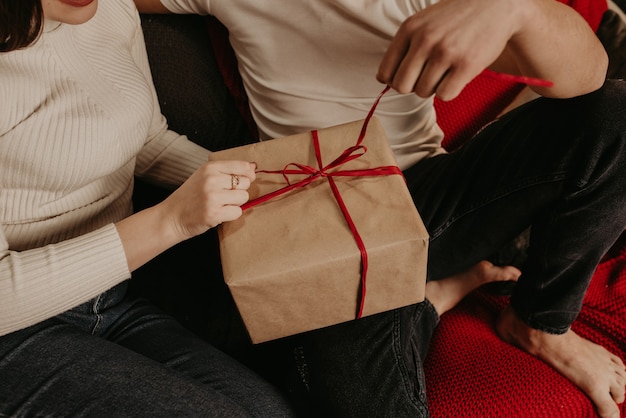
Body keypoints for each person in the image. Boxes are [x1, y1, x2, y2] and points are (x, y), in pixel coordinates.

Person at [135, 0, 626, 417]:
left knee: (617, 113)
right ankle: (429, 299)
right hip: (324, 224)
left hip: (435, 199)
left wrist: (516, 9)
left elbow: (589, 78)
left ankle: (537, 323)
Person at [0, 0, 298, 416]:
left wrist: (261, 185)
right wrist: (171, 221)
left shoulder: (110, 9)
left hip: (110, 299)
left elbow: (147, 141)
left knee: (270, 411)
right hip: (13, 330)